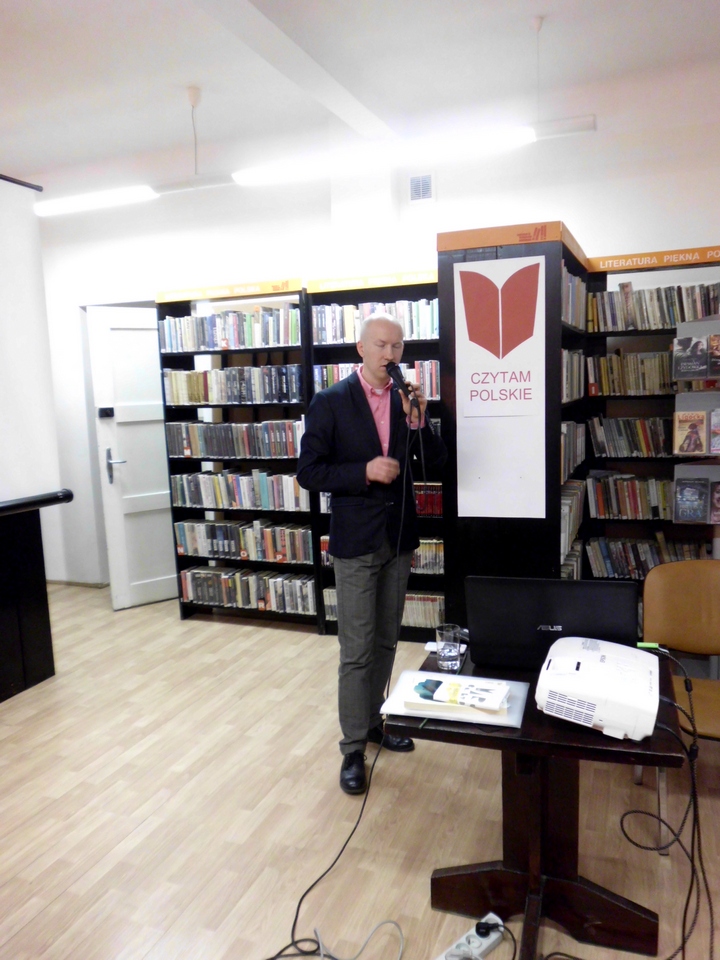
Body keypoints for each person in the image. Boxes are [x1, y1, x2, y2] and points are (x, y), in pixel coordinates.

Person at [297, 314, 447, 794]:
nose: (390, 354)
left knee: (386, 642)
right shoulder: (330, 402)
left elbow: (435, 463)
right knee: (356, 650)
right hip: (356, 541)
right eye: (381, 345)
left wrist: (419, 419)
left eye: (397, 347)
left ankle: (376, 722)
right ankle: (352, 748)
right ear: (361, 349)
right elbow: (309, 472)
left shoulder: (407, 400)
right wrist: (363, 471)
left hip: (398, 539)